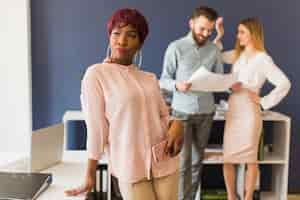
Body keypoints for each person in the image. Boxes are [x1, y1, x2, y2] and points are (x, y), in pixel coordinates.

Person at [64, 8, 184, 200]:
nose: (122, 40)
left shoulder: (149, 78)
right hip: (129, 165)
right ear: (109, 37)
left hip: (165, 159)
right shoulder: (96, 75)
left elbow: (163, 114)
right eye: (116, 33)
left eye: (131, 35)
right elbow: (97, 129)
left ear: (140, 42)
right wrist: (89, 174)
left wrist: (177, 124)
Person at [214, 17, 291, 200]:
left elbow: (284, 83)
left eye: (242, 32)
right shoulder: (237, 55)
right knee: (228, 157)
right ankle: (232, 196)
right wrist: (219, 35)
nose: (238, 35)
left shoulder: (263, 59)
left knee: (251, 159)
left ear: (252, 34)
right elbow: (215, 55)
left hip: (249, 110)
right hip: (234, 108)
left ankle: (248, 198)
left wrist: (263, 101)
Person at [159, 6, 224, 200]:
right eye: (202, 28)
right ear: (191, 24)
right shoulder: (176, 47)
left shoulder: (214, 50)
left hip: (206, 112)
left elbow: (219, 78)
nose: (206, 33)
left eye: (210, 30)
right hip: (181, 114)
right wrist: (177, 85)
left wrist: (226, 83)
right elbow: (163, 80)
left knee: (197, 163)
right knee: (182, 164)